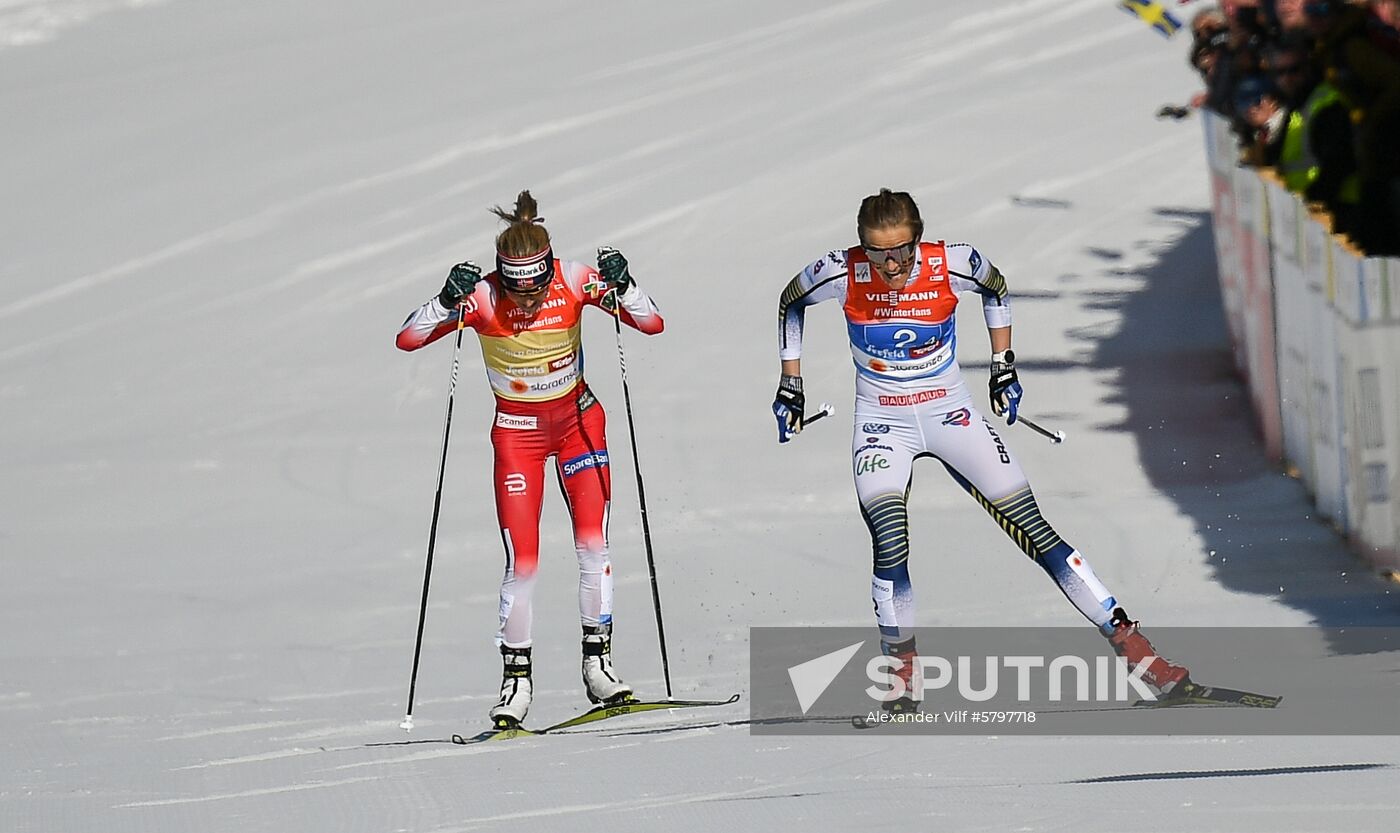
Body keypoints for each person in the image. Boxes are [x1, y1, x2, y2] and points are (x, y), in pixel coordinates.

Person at [771, 188, 1189, 713]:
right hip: (883, 423)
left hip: (951, 414)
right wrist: (791, 384)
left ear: (919, 240)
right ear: (862, 248)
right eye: (878, 253)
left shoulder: (952, 261)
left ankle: (1141, 655)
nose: (893, 264)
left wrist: (1003, 363)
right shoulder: (841, 271)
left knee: (1037, 533)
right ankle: (902, 680)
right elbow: (791, 301)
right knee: (889, 540)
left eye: (903, 250)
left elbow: (995, 287)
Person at [397, 190, 665, 728]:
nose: (524, 304)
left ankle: (599, 667)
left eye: (535, 290)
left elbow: (652, 322)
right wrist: (445, 302)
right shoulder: (482, 297)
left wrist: (625, 284)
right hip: (517, 435)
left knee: (594, 545)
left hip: (578, 426)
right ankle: (516, 683)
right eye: (515, 292)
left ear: (548, 271)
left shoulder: (571, 279)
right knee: (523, 562)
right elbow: (408, 338)